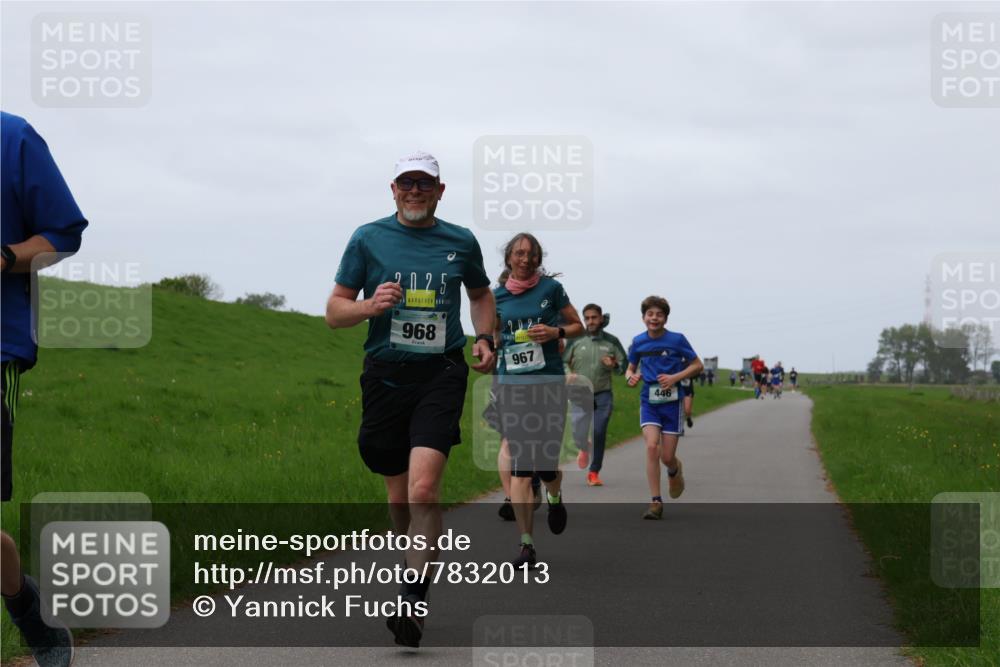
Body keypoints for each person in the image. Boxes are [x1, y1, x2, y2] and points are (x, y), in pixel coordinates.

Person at [325, 151, 496, 648]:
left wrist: (485, 338)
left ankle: (413, 599)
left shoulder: (460, 241)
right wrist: (368, 305)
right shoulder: (368, 237)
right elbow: (334, 312)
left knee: (423, 492)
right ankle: (413, 562)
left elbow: (481, 294)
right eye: (407, 183)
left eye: (425, 184)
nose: (416, 191)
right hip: (384, 376)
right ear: (393, 189)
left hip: (440, 373)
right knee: (397, 495)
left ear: (441, 191)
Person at [2, 111, 88, 667]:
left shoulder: (12, 137)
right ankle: (27, 604)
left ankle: (28, 610)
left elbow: (62, 235)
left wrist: (7, 256)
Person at [492, 233, 582, 567]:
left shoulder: (550, 291)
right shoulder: (497, 296)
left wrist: (555, 332)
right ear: (509, 258)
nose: (526, 258)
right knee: (519, 466)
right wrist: (488, 345)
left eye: (531, 254)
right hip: (513, 386)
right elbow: (489, 335)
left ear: (538, 258)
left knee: (545, 464)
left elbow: (578, 325)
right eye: (519, 253)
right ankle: (526, 544)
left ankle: (555, 497)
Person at [625, 296, 703, 520]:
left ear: (665, 318)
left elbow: (697, 365)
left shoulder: (677, 340)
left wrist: (674, 377)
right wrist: (631, 377)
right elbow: (629, 369)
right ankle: (655, 502)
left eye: (659, 314)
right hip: (648, 401)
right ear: (643, 318)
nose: (654, 318)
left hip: (672, 404)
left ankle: (674, 468)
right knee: (651, 447)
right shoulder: (638, 342)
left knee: (667, 456)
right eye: (650, 314)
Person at [562, 303, 628, 486]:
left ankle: (594, 472)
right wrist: (568, 372)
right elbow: (563, 361)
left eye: (594, 317)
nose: (590, 321)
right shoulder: (576, 340)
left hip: (603, 394)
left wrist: (614, 365)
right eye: (587, 318)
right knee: (577, 430)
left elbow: (624, 366)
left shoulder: (612, 341)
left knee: (599, 430)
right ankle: (583, 447)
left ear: (601, 318)